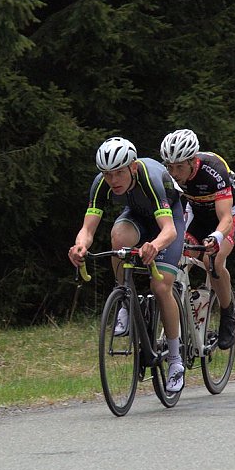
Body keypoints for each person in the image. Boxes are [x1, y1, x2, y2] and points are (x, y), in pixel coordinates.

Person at [68, 137, 188, 392]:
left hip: (169, 218)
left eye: (119, 173)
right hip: (137, 216)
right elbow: (87, 229)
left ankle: (175, 359)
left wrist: (154, 245)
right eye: (107, 174)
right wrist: (80, 246)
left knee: (161, 286)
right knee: (118, 237)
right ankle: (124, 298)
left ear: (132, 167)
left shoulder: (150, 178)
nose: (113, 180)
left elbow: (169, 231)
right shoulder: (101, 184)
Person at [160, 128, 235, 349]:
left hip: (225, 217)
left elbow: (225, 218)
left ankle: (228, 313)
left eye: (179, 167)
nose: (174, 173)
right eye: (169, 167)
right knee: (174, 255)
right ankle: (183, 309)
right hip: (195, 214)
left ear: (192, 161)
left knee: (212, 261)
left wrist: (216, 237)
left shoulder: (214, 170)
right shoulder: (168, 175)